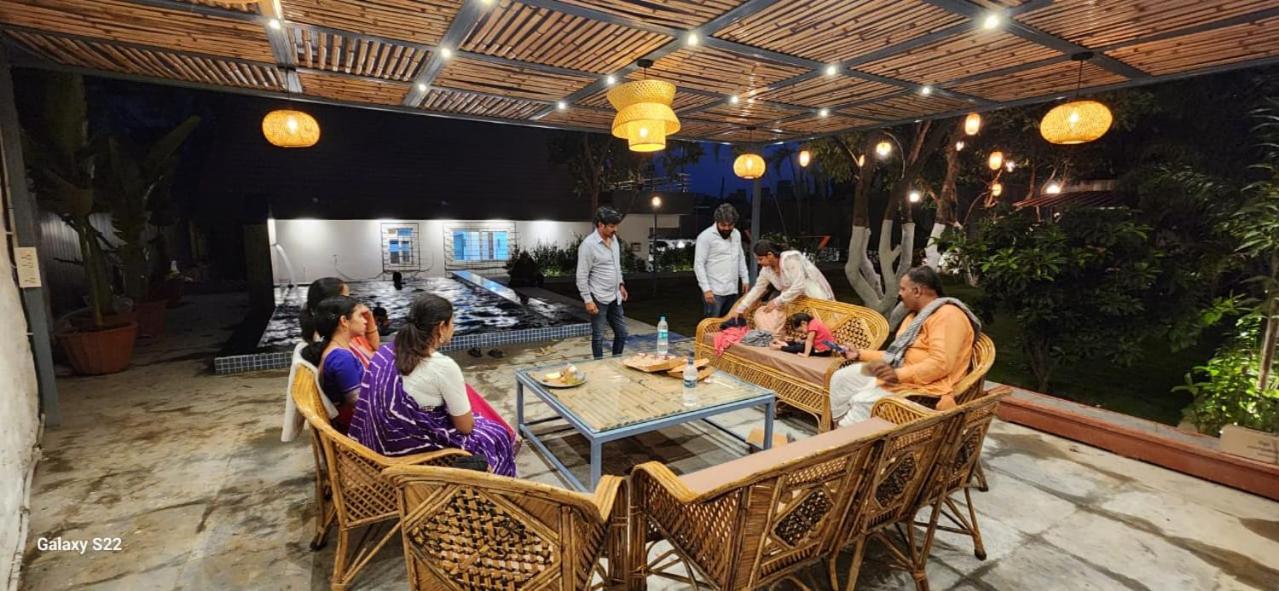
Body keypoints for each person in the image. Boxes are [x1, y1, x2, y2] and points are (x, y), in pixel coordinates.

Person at [349, 294, 517, 477]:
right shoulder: (441, 366)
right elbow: (465, 427)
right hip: (413, 454)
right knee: (497, 435)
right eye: (452, 323)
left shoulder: (386, 351)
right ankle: (495, 487)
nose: (454, 328)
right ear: (441, 327)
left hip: (380, 444)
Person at [829, 267, 980, 427]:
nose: (899, 294)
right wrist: (859, 354)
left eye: (902, 289)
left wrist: (897, 375)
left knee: (862, 400)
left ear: (917, 291)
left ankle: (849, 436)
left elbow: (940, 364)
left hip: (926, 385)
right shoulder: (915, 316)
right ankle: (842, 428)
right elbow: (895, 355)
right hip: (900, 371)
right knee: (841, 378)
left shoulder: (948, 315)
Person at [301, 295, 372, 432]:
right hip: (355, 429)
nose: (365, 321)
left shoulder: (334, 349)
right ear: (344, 321)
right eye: (360, 316)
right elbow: (360, 406)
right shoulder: (341, 359)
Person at [576, 206, 629, 359]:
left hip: (615, 296)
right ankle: (599, 365)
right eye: (612, 226)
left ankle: (616, 361)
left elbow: (616, 265)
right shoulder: (588, 245)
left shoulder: (614, 240)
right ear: (600, 225)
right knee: (598, 336)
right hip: (598, 297)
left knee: (622, 333)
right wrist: (588, 300)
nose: (615, 229)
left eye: (616, 226)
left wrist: (621, 284)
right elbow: (581, 275)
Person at [735, 240, 834, 316]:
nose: (758, 262)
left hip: (810, 294)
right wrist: (741, 307)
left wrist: (777, 301)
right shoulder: (766, 270)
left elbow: (799, 285)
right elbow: (758, 289)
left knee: (818, 323)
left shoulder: (789, 260)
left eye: (760, 259)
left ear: (770, 255)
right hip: (791, 299)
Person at [299, 277, 379, 362]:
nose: (352, 301)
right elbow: (373, 353)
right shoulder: (337, 339)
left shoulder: (335, 332)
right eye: (346, 298)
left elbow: (372, 348)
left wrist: (370, 320)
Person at [694, 203, 751, 318]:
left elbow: (740, 257)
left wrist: (745, 278)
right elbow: (698, 265)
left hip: (733, 290)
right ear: (717, 221)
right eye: (723, 225)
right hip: (714, 292)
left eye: (730, 225)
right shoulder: (705, 237)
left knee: (730, 324)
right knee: (712, 325)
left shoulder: (736, 234)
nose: (726, 228)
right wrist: (706, 289)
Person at [771, 312, 836, 357]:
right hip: (817, 345)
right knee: (800, 341)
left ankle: (781, 347)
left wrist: (806, 354)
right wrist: (796, 340)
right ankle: (784, 343)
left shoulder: (813, 326)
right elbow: (810, 339)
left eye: (801, 330)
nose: (802, 332)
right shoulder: (813, 322)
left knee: (800, 347)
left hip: (823, 351)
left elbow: (809, 341)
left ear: (803, 323)